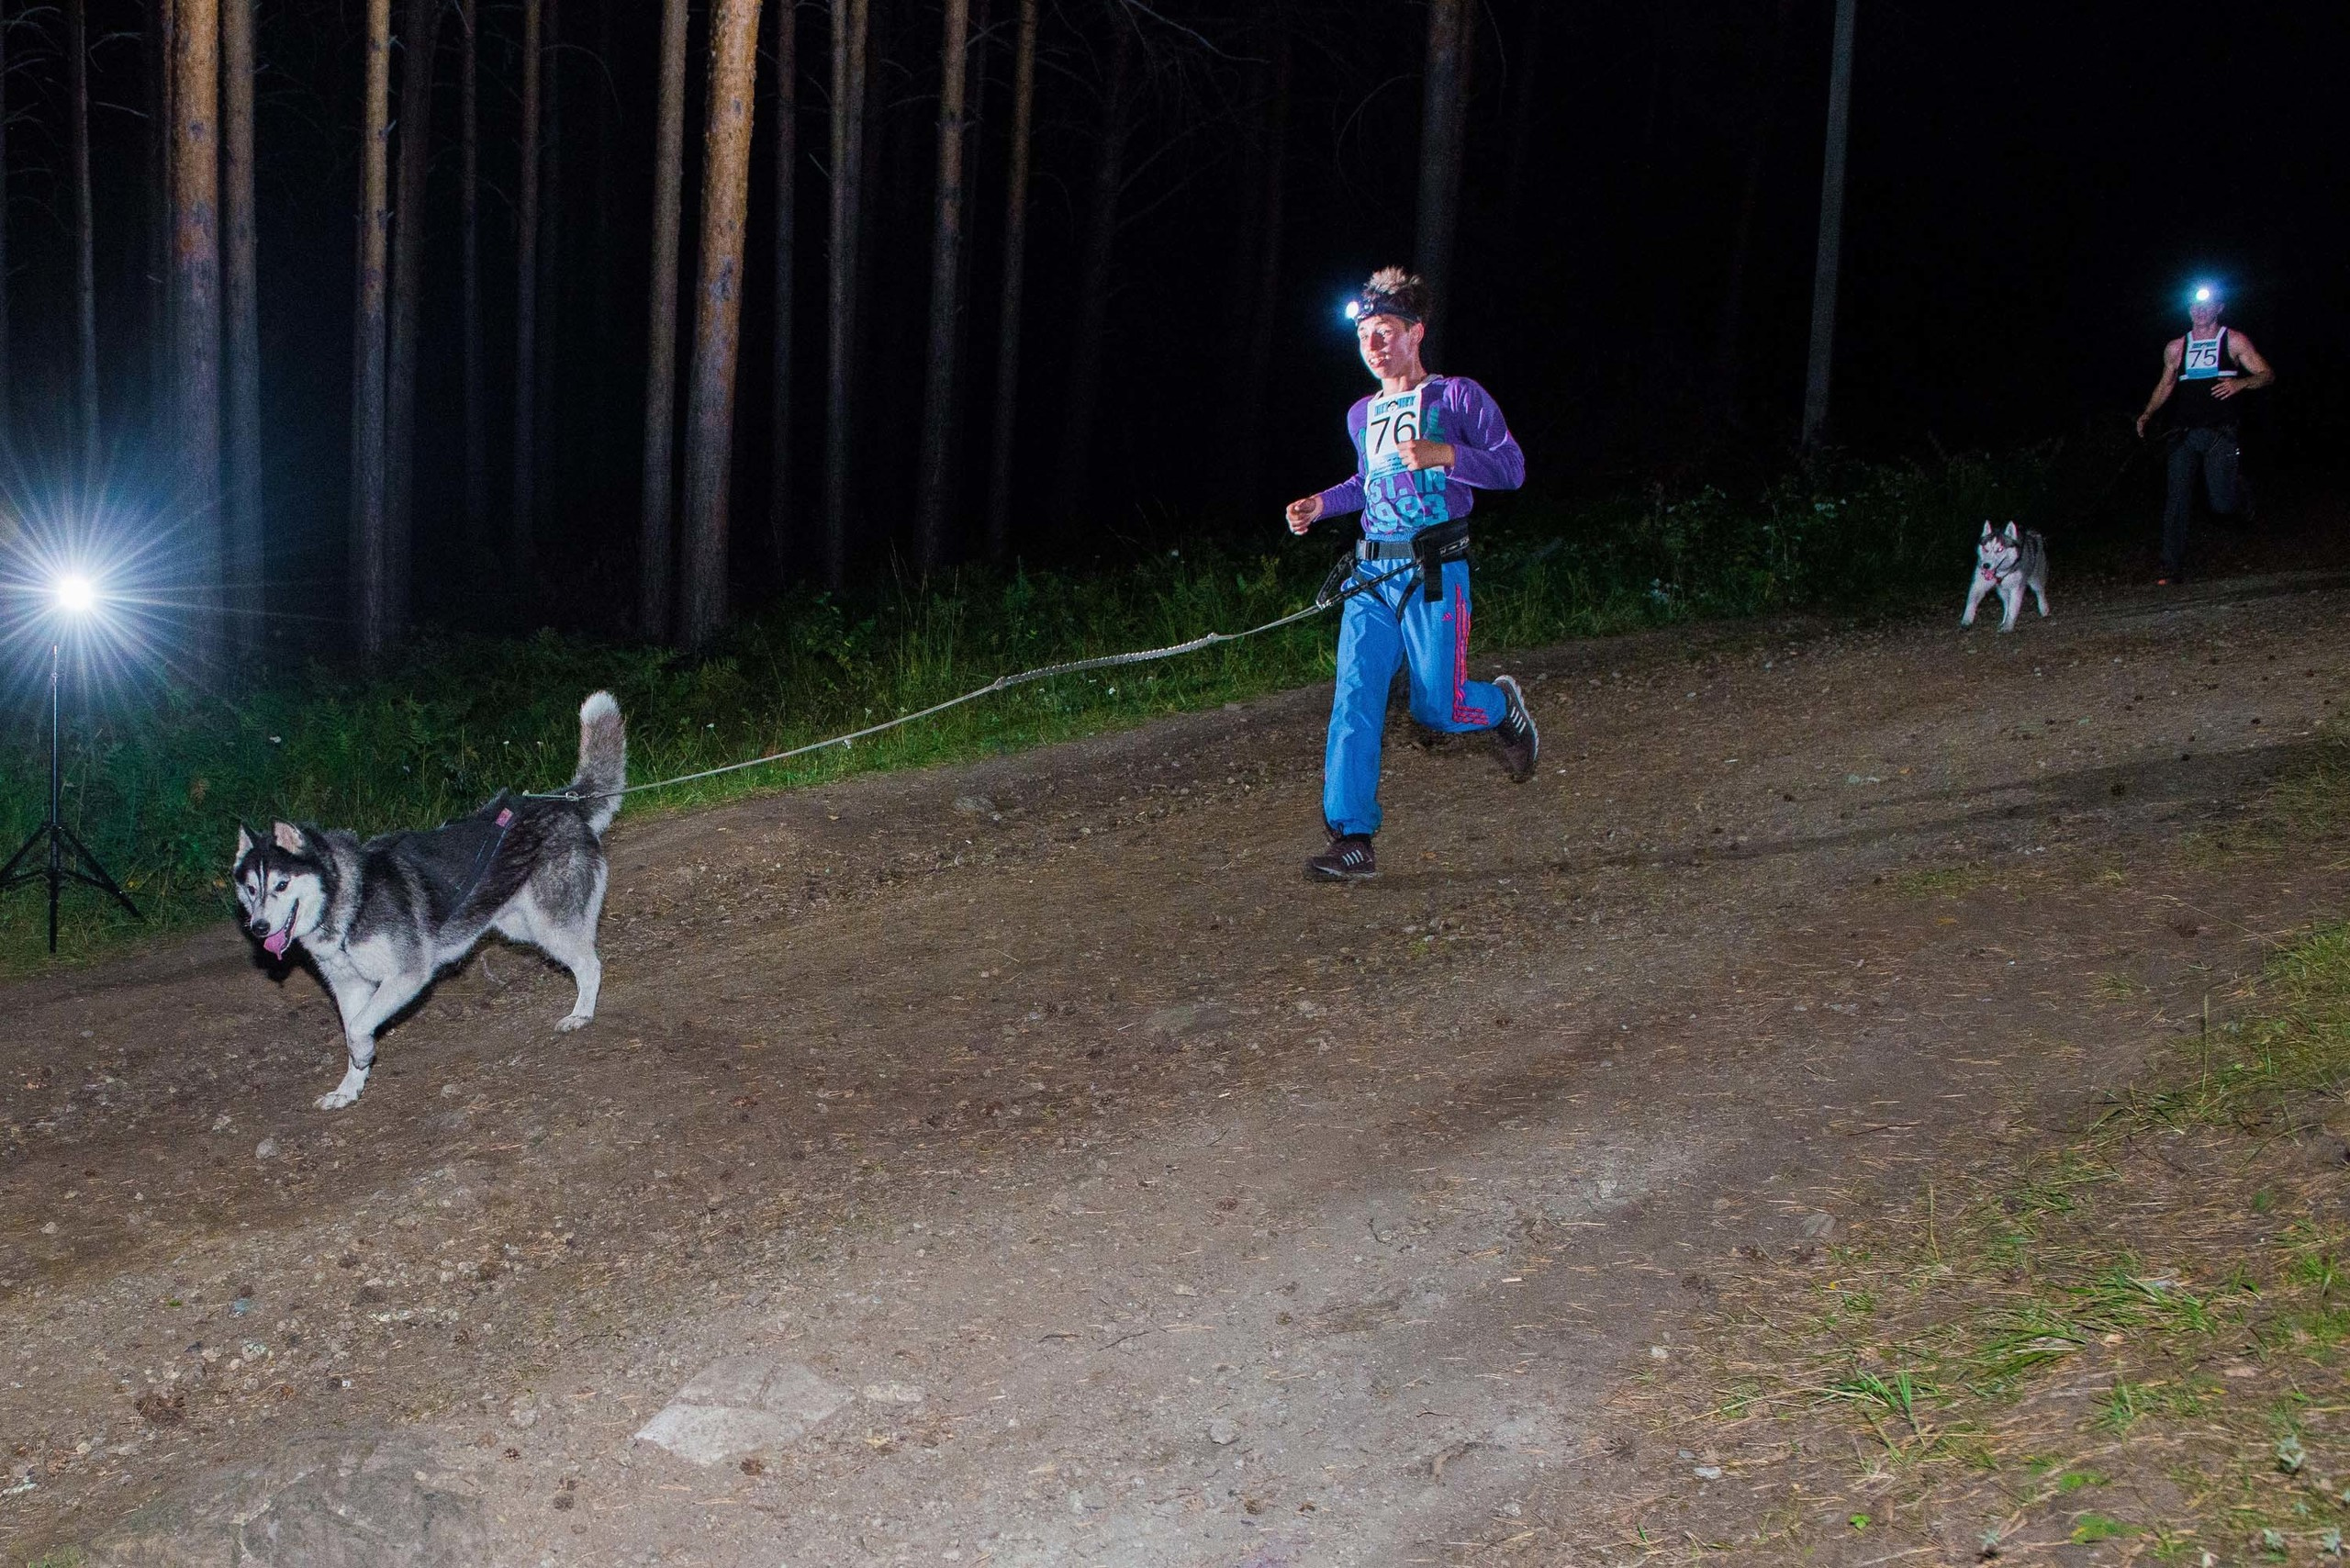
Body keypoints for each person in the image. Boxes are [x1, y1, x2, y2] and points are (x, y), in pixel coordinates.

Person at [1283, 266, 1535, 882]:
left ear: (1415, 333)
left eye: (1386, 331)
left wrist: (1448, 454)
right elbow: (1366, 485)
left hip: (1434, 574)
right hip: (1371, 578)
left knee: (1438, 708)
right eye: (1365, 333)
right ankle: (1352, 838)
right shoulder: (1360, 413)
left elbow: (1512, 468)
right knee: (1354, 704)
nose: (1374, 344)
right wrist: (1322, 504)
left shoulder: (1457, 398)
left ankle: (1500, 707)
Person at [2135, 283, 2274, 584]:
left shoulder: (2233, 340)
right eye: (2194, 307)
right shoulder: (2176, 347)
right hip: (2183, 433)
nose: (2199, 311)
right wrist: (2147, 413)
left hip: (2218, 433)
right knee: (2176, 500)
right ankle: (2170, 566)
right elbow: (2166, 384)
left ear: (2219, 308)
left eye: (2206, 306)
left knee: (2221, 503)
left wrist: (2240, 383)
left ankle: (2242, 493)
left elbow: (2266, 374)